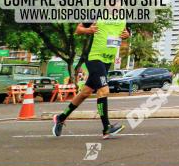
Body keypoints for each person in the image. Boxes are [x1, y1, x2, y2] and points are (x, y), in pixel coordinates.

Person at [52, 10, 129, 138]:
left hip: (107, 60)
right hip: (94, 57)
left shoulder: (122, 18)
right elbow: (78, 29)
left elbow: (125, 32)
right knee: (103, 90)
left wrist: (127, 34)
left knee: (85, 92)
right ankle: (106, 128)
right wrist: (88, 30)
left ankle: (60, 117)